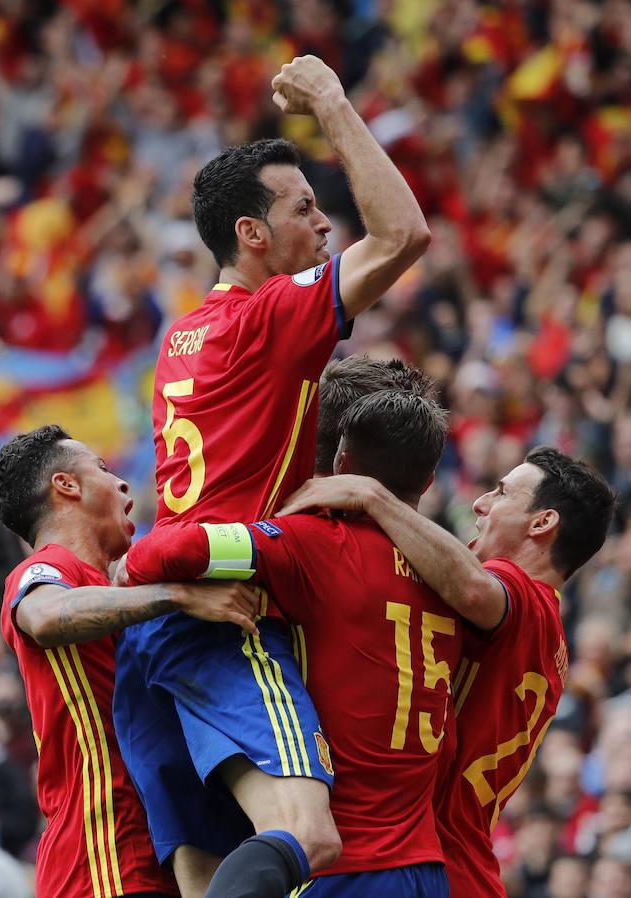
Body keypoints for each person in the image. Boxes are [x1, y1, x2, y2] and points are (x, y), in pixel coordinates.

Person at [114, 54, 431, 898]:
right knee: (309, 837)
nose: (326, 224)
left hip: (159, 628)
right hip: (225, 617)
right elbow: (404, 235)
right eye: (304, 207)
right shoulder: (268, 320)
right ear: (251, 234)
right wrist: (330, 99)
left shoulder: (182, 336)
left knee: (208, 873)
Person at [120, 390, 456, 898]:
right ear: (428, 481)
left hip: (341, 869)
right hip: (426, 869)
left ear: (340, 463)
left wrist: (132, 570)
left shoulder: (317, 544)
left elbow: (172, 550)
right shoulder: (456, 579)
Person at [279, 446, 616, 898]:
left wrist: (373, 496)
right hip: (455, 867)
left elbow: (475, 590)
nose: (479, 503)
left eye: (500, 493)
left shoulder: (525, 598)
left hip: (425, 864)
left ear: (542, 523)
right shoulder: (549, 636)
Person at [0, 425, 260, 898]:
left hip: (157, 853)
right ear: (66, 486)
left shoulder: (122, 592)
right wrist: (179, 595)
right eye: (104, 468)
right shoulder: (44, 570)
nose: (124, 484)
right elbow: (47, 615)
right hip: (101, 853)